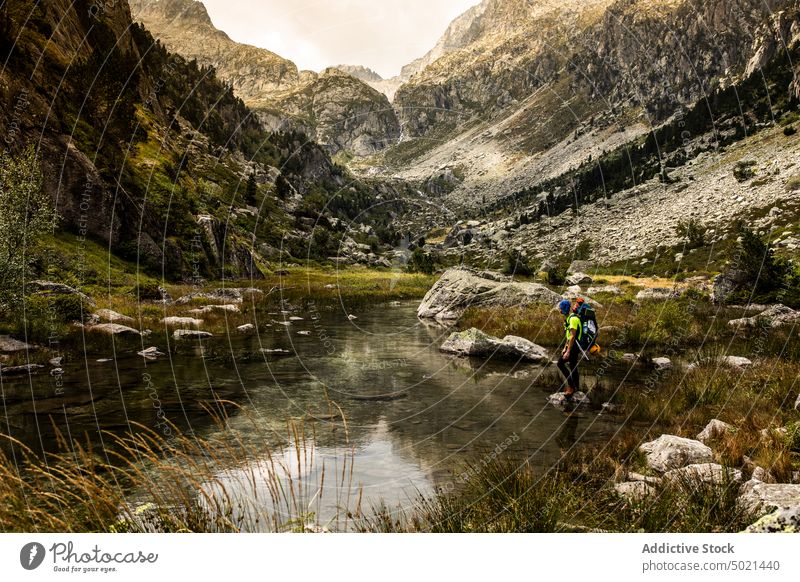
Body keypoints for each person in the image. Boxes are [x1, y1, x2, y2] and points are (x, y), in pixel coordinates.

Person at [557, 299, 582, 400]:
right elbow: (568, 336)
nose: (560, 310)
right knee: (573, 367)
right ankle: (576, 387)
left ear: (564, 309)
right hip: (572, 346)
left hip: (574, 347)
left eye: (561, 308)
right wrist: (565, 347)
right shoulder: (569, 319)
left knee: (560, 363)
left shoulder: (573, 319)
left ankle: (571, 387)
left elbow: (572, 336)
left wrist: (568, 351)